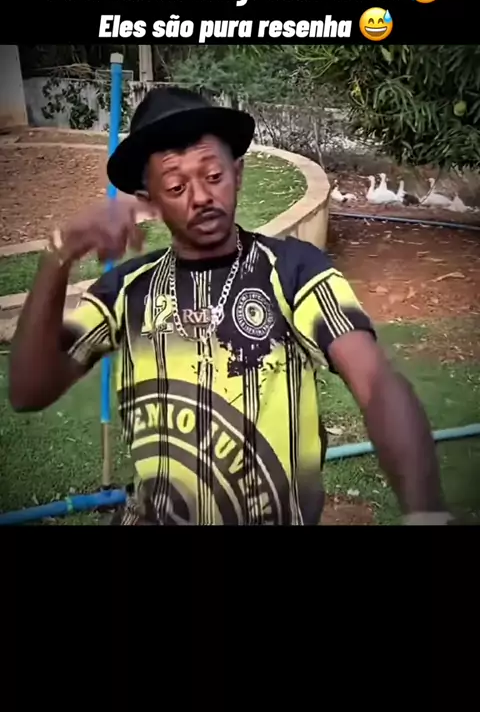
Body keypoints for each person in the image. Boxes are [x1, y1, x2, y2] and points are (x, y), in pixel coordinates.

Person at [9, 86, 454, 526]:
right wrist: (57, 255)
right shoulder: (125, 291)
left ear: (237, 174)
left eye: (213, 176)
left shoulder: (294, 272)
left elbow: (374, 381)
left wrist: (426, 511)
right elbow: (29, 391)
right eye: (176, 185)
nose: (201, 196)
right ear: (150, 201)